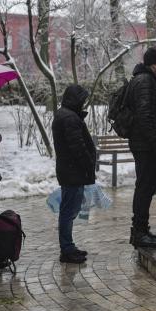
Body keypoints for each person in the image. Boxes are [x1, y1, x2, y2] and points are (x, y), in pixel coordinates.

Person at [128, 47, 156, 248]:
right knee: (145, 187)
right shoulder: (145, 81)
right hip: (145, 145)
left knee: (146, 186)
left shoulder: (146, 79)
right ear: (154, 64)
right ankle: (139, 232)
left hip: (145, 144)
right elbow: (145, 116)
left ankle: (141, 229)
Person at [52, 84, 98, 263]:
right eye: (82, 100)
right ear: (75, 100)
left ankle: (68, 246)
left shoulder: (67, 115)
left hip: (71, 171)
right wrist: (88, 165)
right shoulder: (69, 118)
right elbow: (77, 147)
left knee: (70, 209)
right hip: (73, 171)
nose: (84, 103)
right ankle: (66, 249)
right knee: (68, 211)